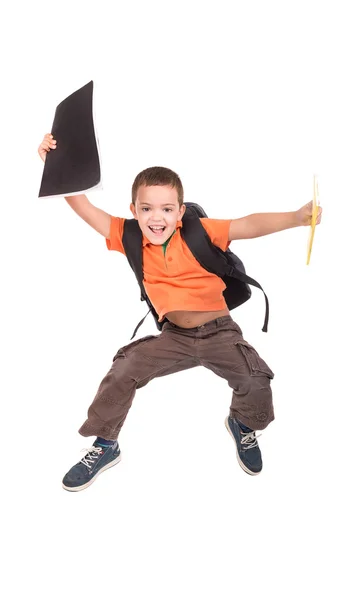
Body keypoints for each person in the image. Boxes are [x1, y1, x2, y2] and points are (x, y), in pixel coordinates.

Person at [38, 133, 322, 492]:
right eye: (147, 209)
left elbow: (248, 224)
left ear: (180, 211)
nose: (156, 218)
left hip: (220, 332)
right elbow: (84, 207)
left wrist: (297, 217)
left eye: (167, 209)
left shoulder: (200, 231)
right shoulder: (127, 237)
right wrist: (55, 164)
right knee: (123, 369)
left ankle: (242, 425)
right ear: (134, 210)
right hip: (174, 337)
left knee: (255, 380)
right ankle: (105, 445)